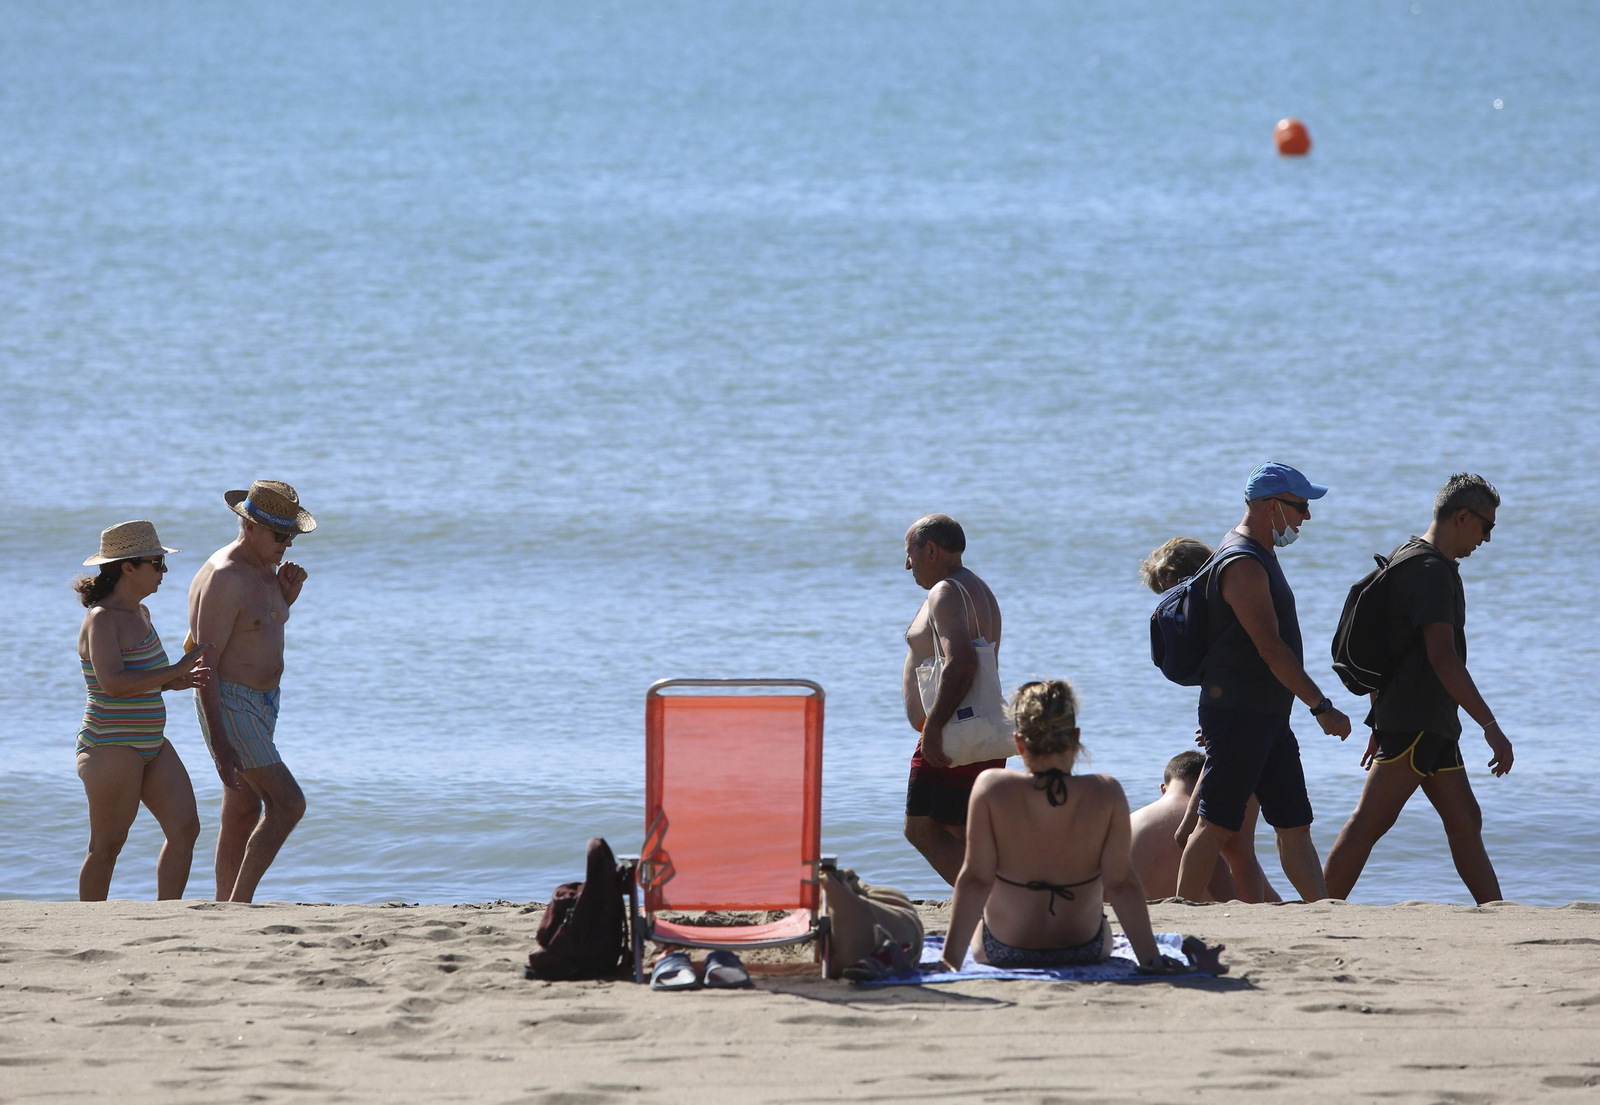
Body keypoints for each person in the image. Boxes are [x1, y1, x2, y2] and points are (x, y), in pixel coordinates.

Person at [1323, 474, 1511, 903]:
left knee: (1465, 819)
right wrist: (1490, 724)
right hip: (1418, 719)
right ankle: (1320, 908)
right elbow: (1442, 658)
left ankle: (1498, 912)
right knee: (1369, 822)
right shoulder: (1431, 571)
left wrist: (1378, 716)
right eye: (1487, 527)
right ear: (1462, 516)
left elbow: (1386, 650)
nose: (1486, 539)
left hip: (1424, 718)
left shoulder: (1407, 556)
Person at [1174, 462, 1353, 903]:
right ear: (1272, 506)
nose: (1306, 518)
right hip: (1239, 713)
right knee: (1213, 825)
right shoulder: (1243, 563)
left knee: (1294, 824)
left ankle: (1325, 912)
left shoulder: (1261, 554)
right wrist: (1321, 706)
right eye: (1300, 507)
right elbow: (1270, 649)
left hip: (1268, 714)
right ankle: (1182, 919)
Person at [940, 681, 1184, 972]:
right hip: (1085, 949)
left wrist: (949, 962)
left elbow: (975, 880)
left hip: (1004, 949)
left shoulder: (991, 787)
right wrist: (1150, 960)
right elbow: (1121, 885)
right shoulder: (1106, 792)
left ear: (1019, 743)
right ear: (1076, 738)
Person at [187, 480, 316, 903]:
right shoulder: (226, 576)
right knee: (288, 803)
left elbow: (253, 630)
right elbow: (204, 661)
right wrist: (221, 739)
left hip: (263, 704)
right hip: (229, 700)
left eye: (292, 536)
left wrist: (286, 601)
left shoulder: (265, 570)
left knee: (243, 810)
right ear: (251, 525)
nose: (288, 545)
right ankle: (240, 905)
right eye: (281, 535)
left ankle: (224, 907)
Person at [74, 521, 212, 901]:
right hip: (110, 746)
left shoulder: (142, 612)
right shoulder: (101, 619)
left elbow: (145, 677)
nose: (164, 571)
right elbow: (113, 684)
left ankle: (165, 915)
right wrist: (175, 670)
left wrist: (172, 682)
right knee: (107, 848)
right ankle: (87, 926)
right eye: (157, 562)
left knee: (186, 829)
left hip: (151, 743)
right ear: (128, 567)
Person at [1140, 538, 1281, 903]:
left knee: (1227, 843)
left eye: (1169, 592)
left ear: (1181, 579)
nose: (1172, 605)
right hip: (1250, 718)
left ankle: (1234, 912)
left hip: (1244, 722)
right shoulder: (1226, 603)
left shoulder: (1220, 606)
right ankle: (1241, 910)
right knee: (1226, 841)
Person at [901, 514, 1005, 885]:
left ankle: (993, 905)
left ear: (930, 549)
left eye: (909, 552)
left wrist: (934, 730)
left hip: (953, 729)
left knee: (921, 829)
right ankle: (1006, 906)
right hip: (982, 727)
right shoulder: (978, 588)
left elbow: (961, 663)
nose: (906, 563)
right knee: (963, 832)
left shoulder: (945, 591)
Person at [1130, 751, 1281, 903]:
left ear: (1163, 788)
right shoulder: (1214, 826)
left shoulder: (1129, 823)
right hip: (1215, 919)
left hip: (1134, 919)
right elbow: (1266, 898)